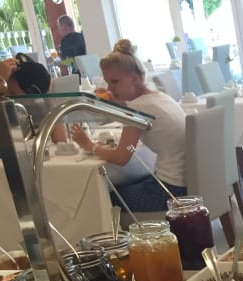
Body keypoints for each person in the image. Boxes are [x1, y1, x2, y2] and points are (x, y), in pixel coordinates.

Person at [69, 39, 187, 212]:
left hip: (170, 193)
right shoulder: (160, 97)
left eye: (114, 81)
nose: (109, 88)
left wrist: (89, 145)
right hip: (185, 183)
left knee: (102, 197)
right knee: (127, 183)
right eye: (107, 82)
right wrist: (121, 104)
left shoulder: (138, 108)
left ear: (135, 79)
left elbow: (121, 158)